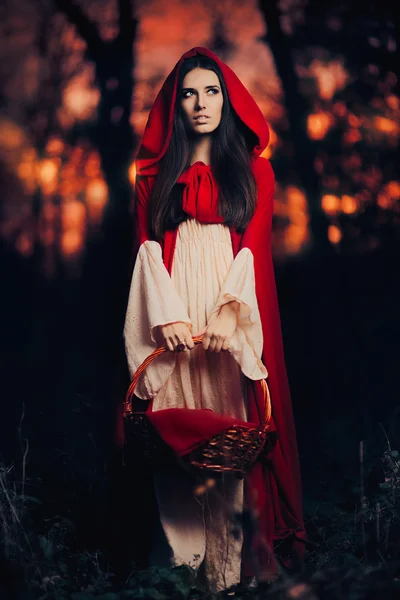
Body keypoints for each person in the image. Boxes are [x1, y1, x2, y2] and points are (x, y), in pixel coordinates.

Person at [120, 46, 305, 592]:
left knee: (231, 440)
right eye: (189, 94)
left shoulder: (255, 172)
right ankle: (184, 572)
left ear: (228, 99)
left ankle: (227, 577)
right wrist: (167, 316)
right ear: (174, 106)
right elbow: (146, 249)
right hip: (174, 319)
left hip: (228, 317)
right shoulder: (152, 179)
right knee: (176, 438)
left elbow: (254, 248)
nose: (201, 103)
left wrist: (230, 312)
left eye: (212, 91)